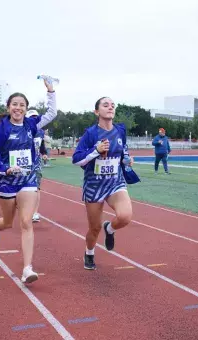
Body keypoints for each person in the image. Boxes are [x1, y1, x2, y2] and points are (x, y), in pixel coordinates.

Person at [0, 80, 57, 283]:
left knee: (26, 222)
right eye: (14, 104)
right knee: (7, 222)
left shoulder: (31, 124)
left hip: (27, 179)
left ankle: (27, 268)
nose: (18, 108)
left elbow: (51, 114)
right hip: (6, 182)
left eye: (22, 105)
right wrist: (5, 169)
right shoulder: (2, 129)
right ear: (9, 107)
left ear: (25, 109)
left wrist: (50, 91)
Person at [72, 97, 140, 270]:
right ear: (97, 112)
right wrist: (96, 150)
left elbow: (122, 151)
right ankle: (89, 252)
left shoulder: (120, 131)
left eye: (112, 105)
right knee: (94, 229)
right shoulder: (91, 134)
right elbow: (76, 160)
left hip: (115, 182)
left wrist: (127, 160)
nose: (110, 107)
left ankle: (109, 228)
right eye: (105, 105)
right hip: (94, 186)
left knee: (125, 216)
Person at [25, 109, 48, 222]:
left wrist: (44, 154)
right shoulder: (22, 130)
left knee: (36, 188)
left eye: (35, 117)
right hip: (23, 164)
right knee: (22, 189)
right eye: (31, 118)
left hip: (36, 164)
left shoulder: (41, 132)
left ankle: (34, 212)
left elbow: (42, 145)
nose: (34, 120)